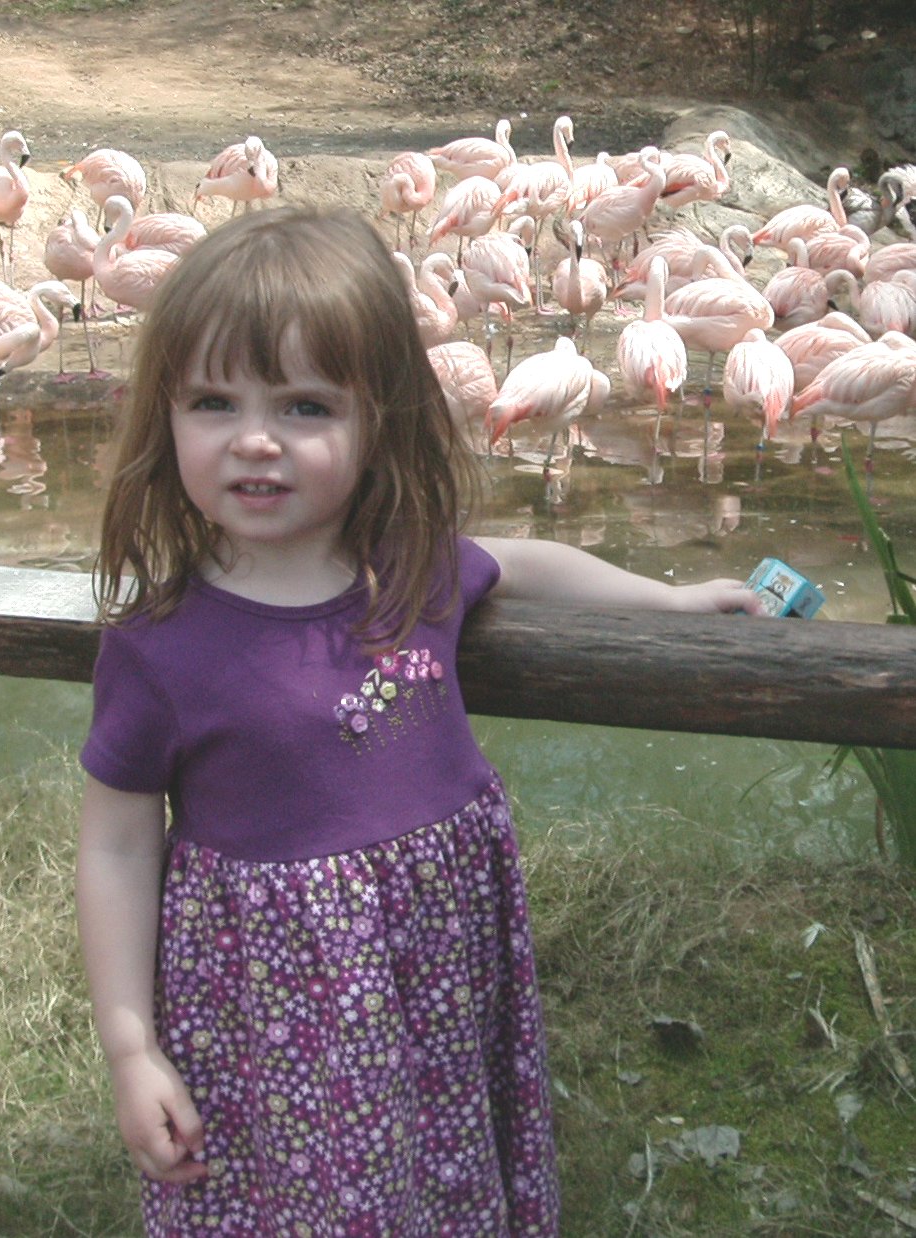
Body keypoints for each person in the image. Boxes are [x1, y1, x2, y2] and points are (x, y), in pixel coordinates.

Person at [76, 205, 761, 1237]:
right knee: (306, 1193)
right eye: (214, 401)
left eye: (305, 406)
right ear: (164, 417)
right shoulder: (161, 645)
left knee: (441, 1166)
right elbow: (118, 846)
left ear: (379, 419)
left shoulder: (410, 571)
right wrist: (131, 1046)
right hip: (280, 1008)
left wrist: (666, 601)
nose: (255, 438)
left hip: (438, 973)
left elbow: (521, 561)